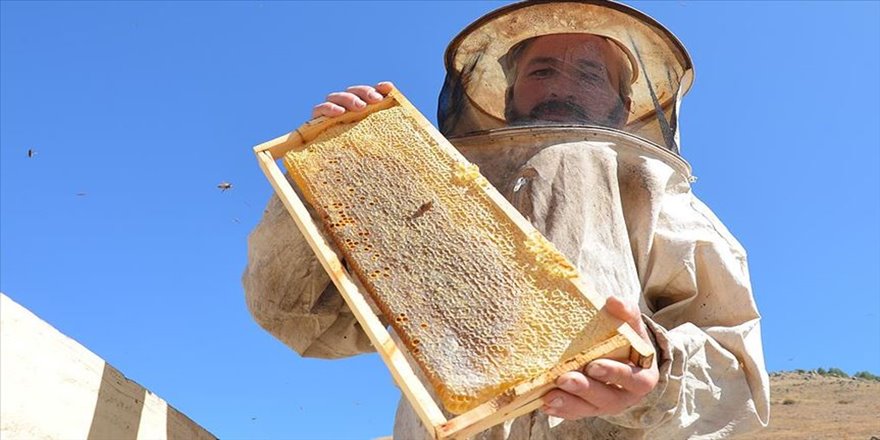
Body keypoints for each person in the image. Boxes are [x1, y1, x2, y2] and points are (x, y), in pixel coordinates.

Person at [243, 1, 770, 438]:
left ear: (622, 101)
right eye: (542, 70)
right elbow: (300, 317)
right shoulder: (430, 196)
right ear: (511, 90)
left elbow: (736, 378)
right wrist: (329, 174)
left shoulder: (665, 203)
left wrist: (656, 368)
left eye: (589, 73)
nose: (562, 85)